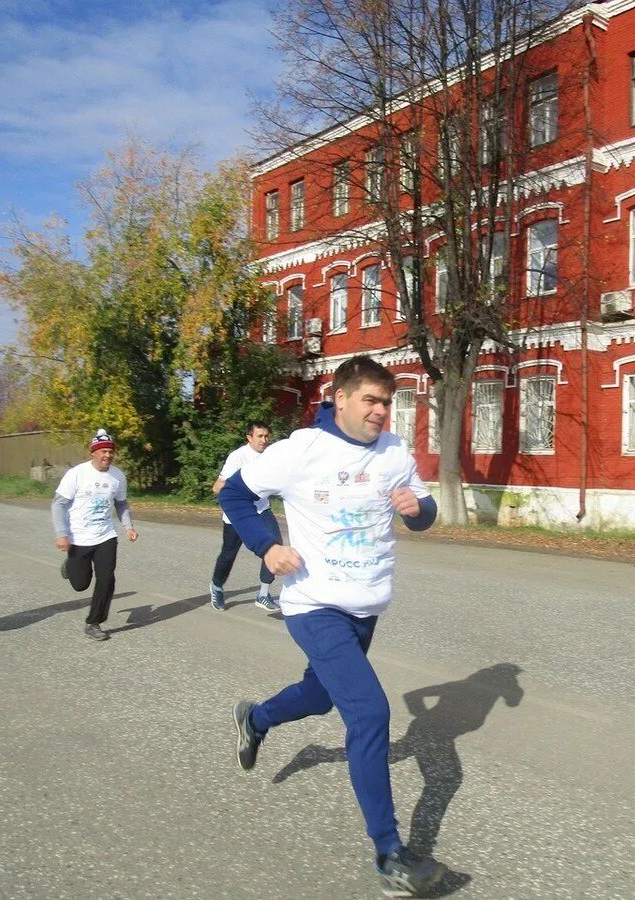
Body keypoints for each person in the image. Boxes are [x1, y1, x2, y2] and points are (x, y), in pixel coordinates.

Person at [219, 355, 446, 898]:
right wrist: (268, 545)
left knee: (321, 697)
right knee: (369, 712)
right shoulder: (301, 450)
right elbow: (234, 492)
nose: (380, 411)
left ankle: (257, 717)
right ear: (339, 397)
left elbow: (427, 509)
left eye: (387, 402)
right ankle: (390, 853)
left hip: (365, 607)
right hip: (314, 604)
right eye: (370, 399)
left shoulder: (394, 453)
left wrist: (417, 509)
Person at [51, 429, 138, 641]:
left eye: (110, 451)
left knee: (107, 578)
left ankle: (94, 622)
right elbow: (58, 504)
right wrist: (62, 533)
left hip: (105, 535)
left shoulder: (117, 476)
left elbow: (121, 503)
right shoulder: (77, 474)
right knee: (80, 584)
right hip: (79, 537)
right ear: (93, 453)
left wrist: (128, 527)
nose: (107, 455)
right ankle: (70, 567)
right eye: (103, 451)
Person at [209, 420, 281, 613]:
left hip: (262, 510)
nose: (264, 440)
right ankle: (217, 586)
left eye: (266, 436)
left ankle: (263, 595)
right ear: (249, 437)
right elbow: (217, 487)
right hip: (238, 515)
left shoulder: (271, 455)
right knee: (228, 554)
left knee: (274, 547)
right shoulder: (238, 457)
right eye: (260, 436)